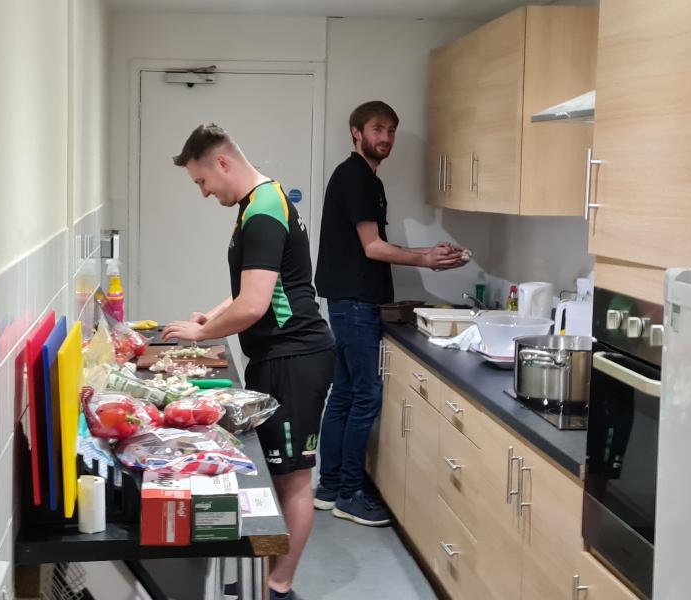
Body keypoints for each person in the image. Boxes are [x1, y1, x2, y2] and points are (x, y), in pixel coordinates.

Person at [162, 124, 335, 600]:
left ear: (222, 163)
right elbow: (251, 288)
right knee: (280, 474)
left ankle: (279, 586)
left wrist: (201, 334)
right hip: (281, 356)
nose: (203, 192)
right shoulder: (263, 201)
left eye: (201, 181)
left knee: (294, 477)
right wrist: (210, 316)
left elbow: (255, 306)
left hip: (295, 357)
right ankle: (268, 580)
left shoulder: (261, 213)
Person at [313, 101, 468, 526]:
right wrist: (426, 261)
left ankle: (328, 487)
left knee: (345, 394)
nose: (385, 138)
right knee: (365, 396)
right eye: (378, 129)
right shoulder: (358, 178)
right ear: (356, 132)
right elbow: (373, 248)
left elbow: (375, 245)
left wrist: (429, 253)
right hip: (356, 304)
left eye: (392, 130)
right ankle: (348, 494)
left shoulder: (361, 177)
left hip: (348, 302)